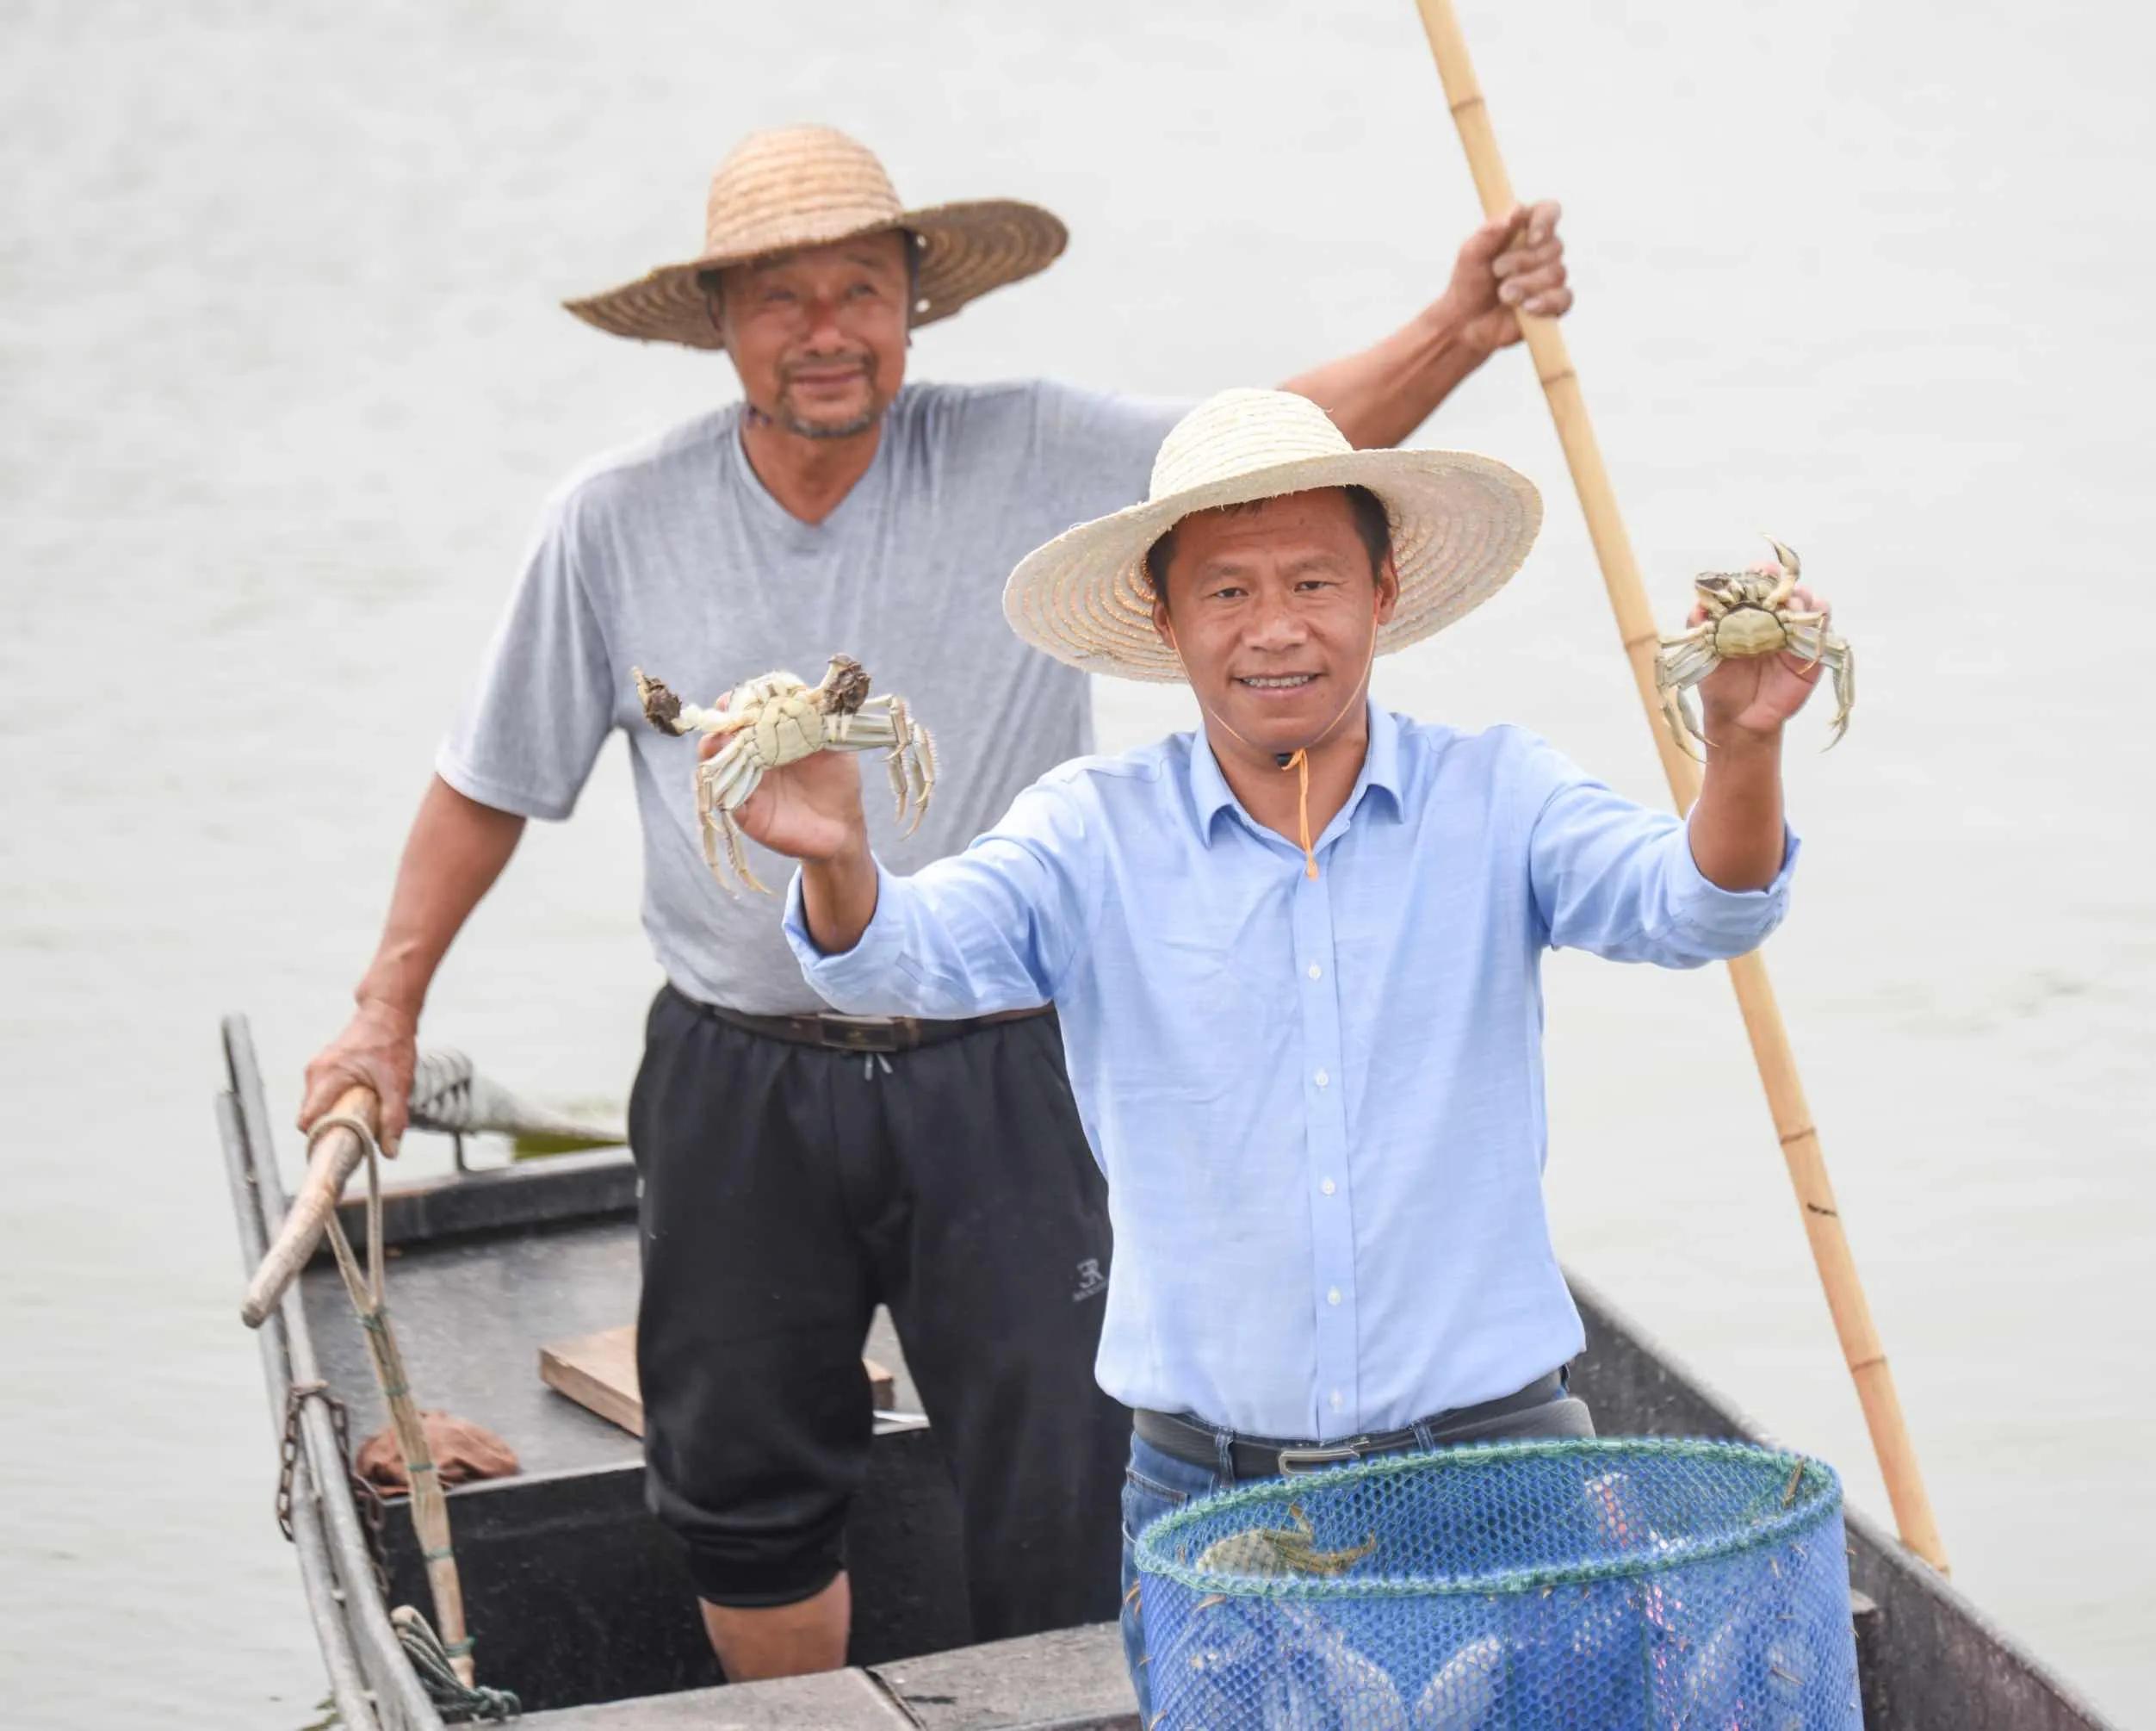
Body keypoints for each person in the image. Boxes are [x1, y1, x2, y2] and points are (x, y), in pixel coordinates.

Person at [292, 125, 1577, 1681]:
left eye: (860, 288)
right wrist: (386, 1008)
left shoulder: (1031, 450)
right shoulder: (614, 520)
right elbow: (489, 780)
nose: (825, 329)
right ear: (720, 323)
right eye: (780, 298)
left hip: (1000, 1057)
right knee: (742, 1482)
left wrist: (1461, 324)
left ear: (918, 304)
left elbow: (1281, 455)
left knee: (1072, 1464)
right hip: (741, 1058)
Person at [728, 387, 1826, 1717]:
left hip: (1496, 1466)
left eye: (1315, 580)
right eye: (1229, 592)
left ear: (1383, 588)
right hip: (1211, 1494)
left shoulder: (1499, 792)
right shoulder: (1091, 833)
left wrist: (1744, 745)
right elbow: (901, 955)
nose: (1277, 628)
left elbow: (1699, 901)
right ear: (1166, 620)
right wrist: (842, 856)